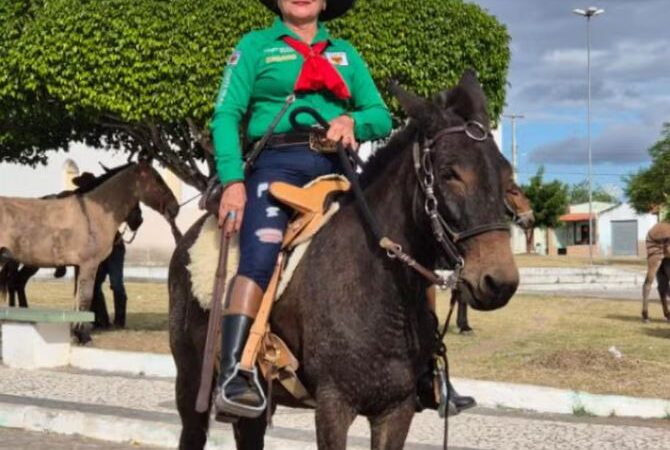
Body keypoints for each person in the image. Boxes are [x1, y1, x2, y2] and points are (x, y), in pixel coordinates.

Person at [210, 0, 392, 417]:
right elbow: (226, 116)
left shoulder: (346, 52)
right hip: (276, 166)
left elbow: (380, 116)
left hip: (338, 167)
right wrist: (234, 181)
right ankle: (236, 372)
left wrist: (353, 123)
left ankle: (423, 367)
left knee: (396, 241)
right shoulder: (254, 46)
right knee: (259, 256)